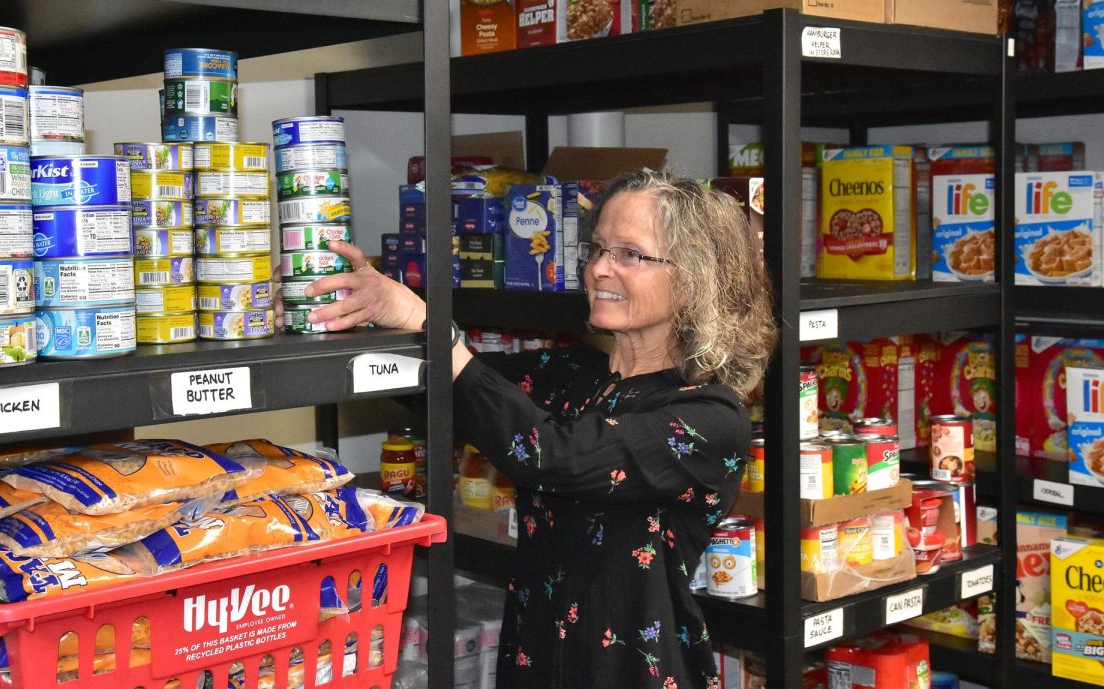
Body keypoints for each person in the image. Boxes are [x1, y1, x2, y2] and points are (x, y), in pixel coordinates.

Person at [294, 169, 777, 689]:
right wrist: (345, 315)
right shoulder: (569, 373)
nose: (599, 269)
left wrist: (433, 326)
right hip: (534, 659)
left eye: (629, 254)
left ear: (694, 279)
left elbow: (554, 455)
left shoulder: (709, 415)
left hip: (632, 671)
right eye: (596, 249)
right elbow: (445, 393)